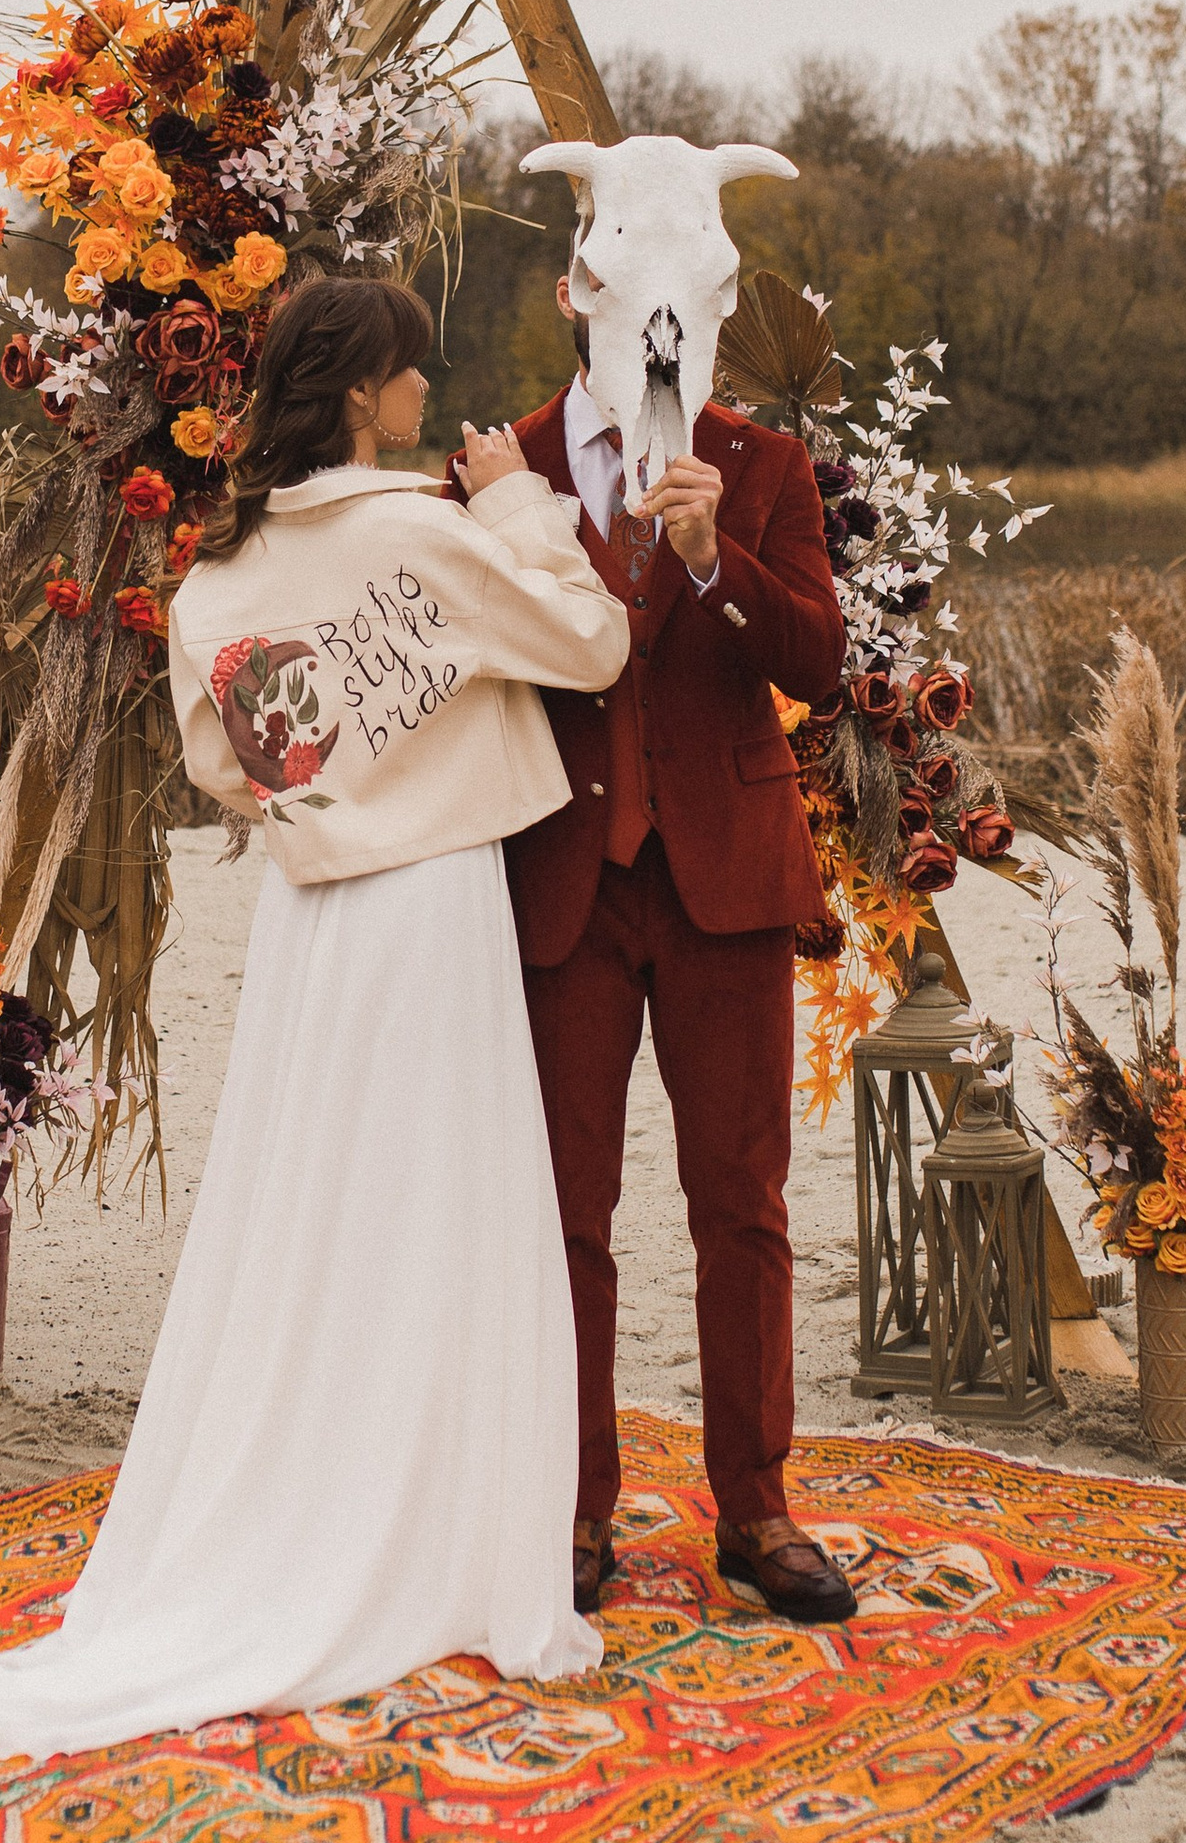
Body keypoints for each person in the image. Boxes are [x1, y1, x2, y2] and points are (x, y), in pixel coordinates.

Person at [0, 274, 631, 1762]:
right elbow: (591, 643)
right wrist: (512, 505)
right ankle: (431, 1535)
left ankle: (327, 1497)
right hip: (430, 905)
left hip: (312, 924)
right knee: (444, 1213)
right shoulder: (430, 532)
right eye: (414, 376)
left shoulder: (217, 579)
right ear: (364, 395)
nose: (433, 398)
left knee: (320, 1215)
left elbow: (223, 769)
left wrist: (332, 782)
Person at [501, 266, 858, 1627]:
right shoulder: (509, 465)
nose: (655, 328)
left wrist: (720, 562)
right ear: (573, 297)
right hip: (565, 883)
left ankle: (756, 1508)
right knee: (564, 1216)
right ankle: (576, 1505)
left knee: (743, 1205)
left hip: (726, 874)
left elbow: (821, 662)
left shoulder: (765, 463)